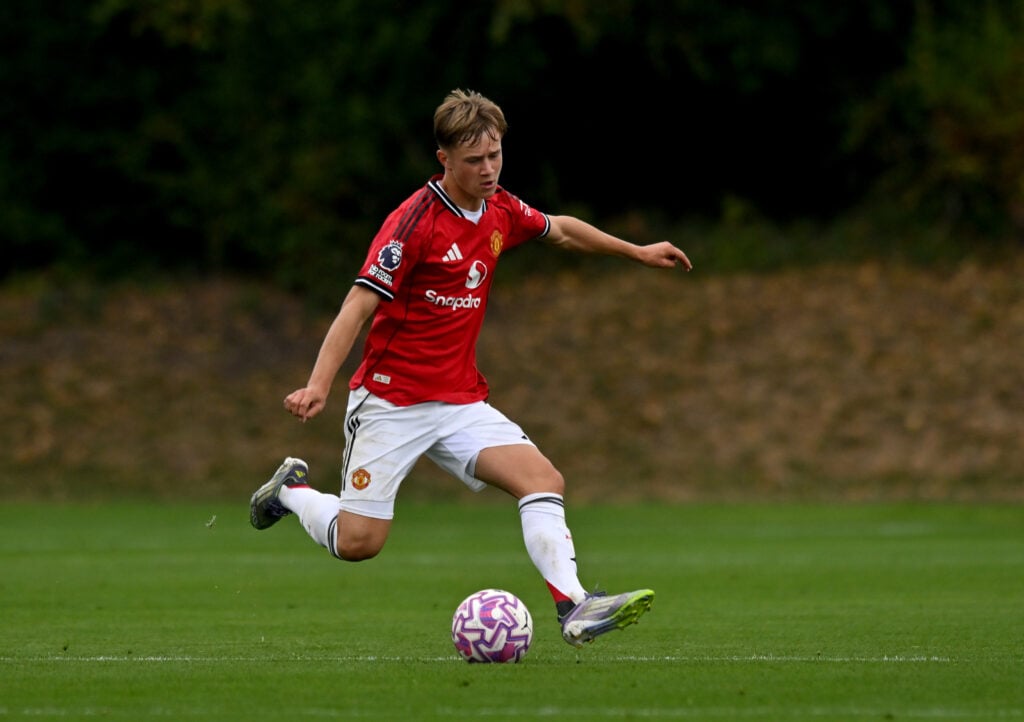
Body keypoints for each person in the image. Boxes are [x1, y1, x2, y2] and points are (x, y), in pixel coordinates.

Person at [250, 88, 693, 648]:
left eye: (495, 155)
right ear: (444, 159)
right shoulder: (413, 224)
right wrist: (319, 385)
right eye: (474, 160)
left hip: (459, 401)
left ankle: (575, 606)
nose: (488, 169)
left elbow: (559, 229)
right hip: (391, 402)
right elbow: (358, 304)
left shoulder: (500, 208)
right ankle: (290, 491)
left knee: (542, 480)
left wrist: (637, 251)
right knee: (360, 543)